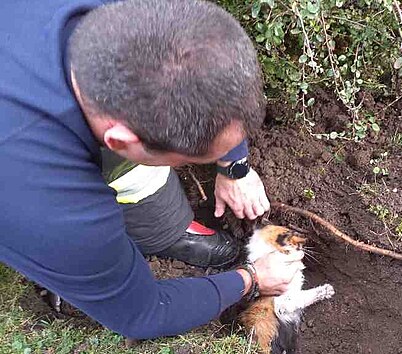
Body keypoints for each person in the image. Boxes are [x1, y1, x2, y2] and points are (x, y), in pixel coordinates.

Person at [0, 0, 303, 340]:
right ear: (119, 141)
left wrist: (235, 166)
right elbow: (142, 313)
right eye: (186, 161)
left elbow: (197, 62)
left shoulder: (142, 21)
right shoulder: (42, 195)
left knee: (156, 208)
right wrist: (252, 278)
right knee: (66, 251)